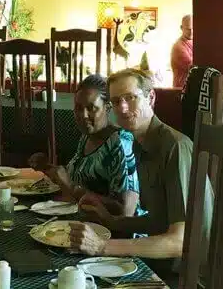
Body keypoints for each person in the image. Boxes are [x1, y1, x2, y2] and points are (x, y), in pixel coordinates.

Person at [69, 68, 211, 288]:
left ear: (150, 97)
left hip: (185, 276)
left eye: (130, 98)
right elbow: (159, 220)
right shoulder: (139, 143)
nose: (123, 108)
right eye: (116, 101)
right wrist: (111, 220)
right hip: (159, 262)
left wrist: (102, 246)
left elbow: (180, 242)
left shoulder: (175, 147)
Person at [28, 74, 141, 216]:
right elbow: (80, 179)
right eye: (78, 108)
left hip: (112, 229)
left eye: (91, 108)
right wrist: (47, 167)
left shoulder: (121, 143)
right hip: (86, 220)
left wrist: (71, 187)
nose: (84, 115)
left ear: (107, 108)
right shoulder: (87, 137)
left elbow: (125, 211)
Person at [170, 14, 193, 89]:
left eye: (193, 28)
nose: (191, 32)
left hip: (191, 88)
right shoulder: (178, 47)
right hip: (181, 90)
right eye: (188, 29)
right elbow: (194, 68)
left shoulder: (193, 42)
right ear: (181, 28)